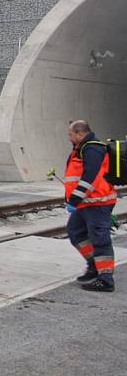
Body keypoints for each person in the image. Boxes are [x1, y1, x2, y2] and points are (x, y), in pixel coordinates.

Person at [65, 120, 117, 292]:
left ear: (80, 133)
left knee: (100, 238)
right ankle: (94, 265)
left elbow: (91, 177)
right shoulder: (82, 147)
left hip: (98, 202)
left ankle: (106, 278)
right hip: (86, 202)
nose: (69, 137)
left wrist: (74, 200)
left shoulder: (92, 148)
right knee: (76, 232)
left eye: (70, 134)